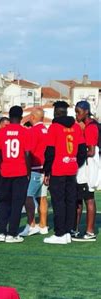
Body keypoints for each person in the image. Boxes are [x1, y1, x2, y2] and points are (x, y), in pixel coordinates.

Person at [43, 101, 87, 245]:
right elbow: (82, 152)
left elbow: (50, 152)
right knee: (70, 202)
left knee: (58, 202)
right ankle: (68, 232)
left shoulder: (54, 127)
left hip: (58, 170)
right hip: (71, 169)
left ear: (56, 113)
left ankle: (60, 233)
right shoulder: (76, 127)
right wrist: (74, 163)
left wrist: (47, 171)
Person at [0, 106, 31, 243]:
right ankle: (12, 233)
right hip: (20, 172)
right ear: (21, 117)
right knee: (17, 203)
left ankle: (1, 231)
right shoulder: (25, 132)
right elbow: (27, 153)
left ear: (9, 116)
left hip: (5, 172)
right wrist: (28, 171)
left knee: (3, 202)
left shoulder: (2, 132)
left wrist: (1, 167)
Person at [19, 108, 49, 237]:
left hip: (35, 169)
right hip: (45, 169)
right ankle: (43, 225)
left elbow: (28, 152)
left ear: (33, 117)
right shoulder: (47, 130)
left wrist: (26, 169)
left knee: (28, 196)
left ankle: (31, 224)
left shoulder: (33, 132)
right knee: (42, 197)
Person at [72, 100, 98, 241]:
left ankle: (89, 232)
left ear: (86, 111)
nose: (77, 114)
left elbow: (92, 151)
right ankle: (76, 229)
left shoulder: (91, 127)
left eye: (78, 111)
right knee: (83, 198)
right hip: (88, 167)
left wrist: (76, 155)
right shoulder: (90, 126)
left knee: (88, 198)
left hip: (88, 169)